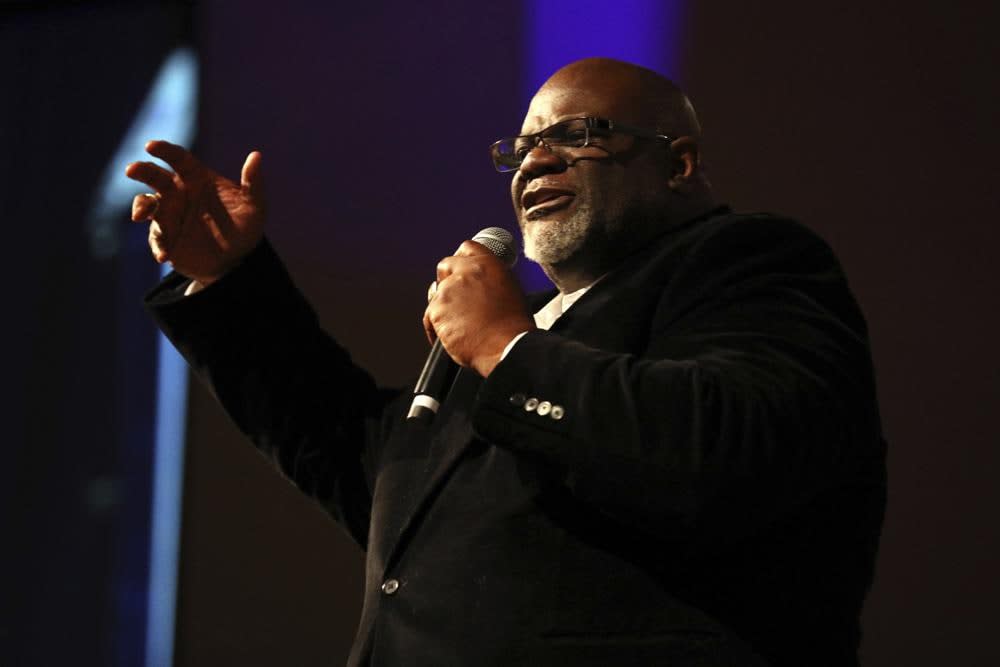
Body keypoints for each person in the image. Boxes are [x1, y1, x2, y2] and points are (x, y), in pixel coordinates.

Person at [128, 58, 886, 666]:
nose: (534, 160)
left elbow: (729, 448)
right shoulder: (517, 334)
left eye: (577, 132)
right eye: (521, 147)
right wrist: (231, 279)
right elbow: (354, 456)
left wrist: (504, 347)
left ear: (678, 165)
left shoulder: (746, 262)